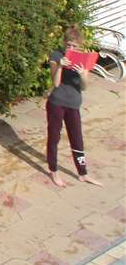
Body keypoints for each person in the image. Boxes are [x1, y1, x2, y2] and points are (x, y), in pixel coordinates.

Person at [47, 27, 98, 188]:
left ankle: (83, 173)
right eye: (68, 45)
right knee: (54, 137)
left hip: (74, 105)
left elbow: (84, 87)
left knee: (77, 138)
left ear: (79, 46)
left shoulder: (83, 59)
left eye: (74, 46)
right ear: (64, 43)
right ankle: (53, 171)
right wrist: (60, 66)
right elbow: (55, 83)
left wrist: (83, 74)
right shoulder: (56, 55)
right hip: (57, 103)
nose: (70, 49)